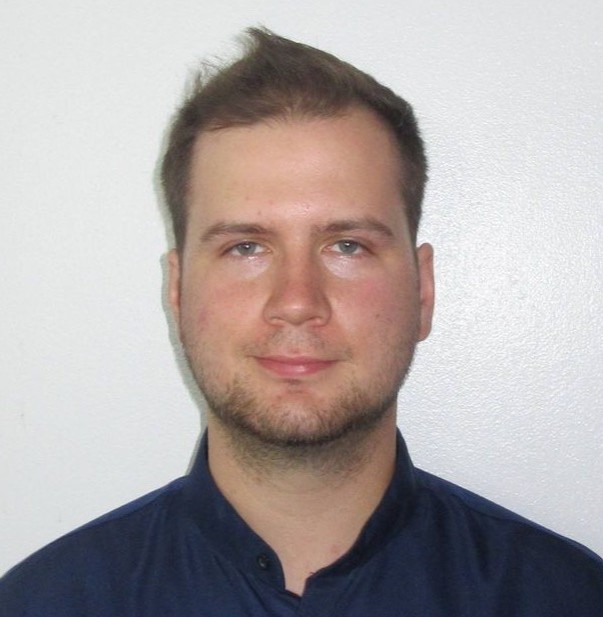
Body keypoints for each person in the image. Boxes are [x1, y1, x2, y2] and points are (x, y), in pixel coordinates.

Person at [1, 27, 602, 616]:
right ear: (177, 292)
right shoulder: (43, 604)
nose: (295, 301)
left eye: (347, 246)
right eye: (245, 247)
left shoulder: (566, 598)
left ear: (423, 291)